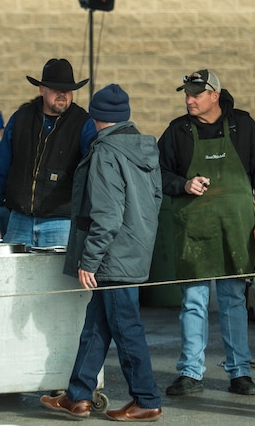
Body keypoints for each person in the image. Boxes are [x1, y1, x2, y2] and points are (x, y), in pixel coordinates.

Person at [39, 84, 163, 421]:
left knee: (126, 329)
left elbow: (107, 216)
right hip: (132, 251)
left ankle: (147, 398)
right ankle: (78, 394)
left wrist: (89, 260)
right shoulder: (143, 149)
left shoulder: (106, 152)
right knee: (96, 326)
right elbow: (154, 202)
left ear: (96, 118)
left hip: (112, 257)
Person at [158, 69, 255, 396]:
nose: (189, 99)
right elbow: (157, 173)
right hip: (193, 231)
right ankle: (190, 373)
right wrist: (182, 184)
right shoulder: (177, 132)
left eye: (196, 93)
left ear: (215, 95)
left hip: (236, 229)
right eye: (187, 93)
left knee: (233, 300)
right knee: (193, 302)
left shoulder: (243, 127)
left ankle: (240, 372)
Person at [0, 58, 96, 246]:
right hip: (19, 220)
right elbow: (0, 169)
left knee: (57, 276)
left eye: (67, 89)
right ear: (42, 89)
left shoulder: (83, 123)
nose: (62, 94)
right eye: (56, 88)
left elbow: (95, 172)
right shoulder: (21, 118)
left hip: (62, 221)